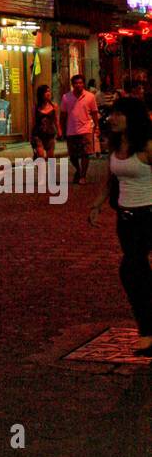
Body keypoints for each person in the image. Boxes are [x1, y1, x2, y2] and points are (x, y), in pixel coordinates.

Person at [88, 97, 152, 355]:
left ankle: (146, 330)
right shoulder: (115, 146)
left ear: (132, 117)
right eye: (112, 114)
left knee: (131, 270)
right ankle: (146, 328)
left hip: (148, 216)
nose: (112, 118)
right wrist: (97, 205)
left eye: (119, 114)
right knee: (137, 272)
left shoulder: (147, 146)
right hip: (125, 218)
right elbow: (110, 179)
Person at [60, 74, 99, 185]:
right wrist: (61, 129)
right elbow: (63, 115)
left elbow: (94, 113)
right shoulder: (66, 97)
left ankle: (83, 176)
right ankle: (78, 169)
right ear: (72, 85)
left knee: (85, 154)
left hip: (86, 129)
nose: (78, 85)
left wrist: (97, 126)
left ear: (83, 84)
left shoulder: (90, 96)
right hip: (71, 130)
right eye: (76, 83)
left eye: (80, 83)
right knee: (73, 156)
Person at [31, 84, 60, 159]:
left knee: (50, 156)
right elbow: (33, 121)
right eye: (46, 92)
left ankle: (51, 171)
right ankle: (41, 170)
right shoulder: (35, 107)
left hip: (50, 133)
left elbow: (56, 120)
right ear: (41, 94)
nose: (48, 93)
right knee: (41, 155)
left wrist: (59, 130)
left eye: (49, 91)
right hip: (38, 134)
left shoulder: (54, 106)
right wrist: (31, 136)